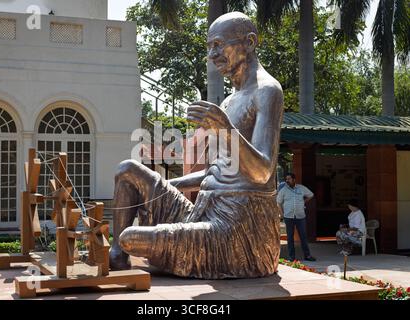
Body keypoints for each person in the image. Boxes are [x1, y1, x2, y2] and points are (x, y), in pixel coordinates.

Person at [109, 12, 284, 279]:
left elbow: (262, 172)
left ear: (249, 42)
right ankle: (116, 258)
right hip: (203, 211)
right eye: (209, 47)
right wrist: (162, 187)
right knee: (129, 171)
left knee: (131, 238)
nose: (212, 55)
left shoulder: (267, 91)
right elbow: (214, 173)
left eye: (219, 45)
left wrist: (225, 129)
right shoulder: (227, 102)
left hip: (237, 226)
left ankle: (129, 248)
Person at [276, 173, 316, 261]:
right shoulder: (283, 190)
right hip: (288, 217)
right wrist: (282, 214)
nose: (287, 181)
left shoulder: (301, 188)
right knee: (290, 238)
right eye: (286, 179)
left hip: (300, 217)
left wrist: (304, 201)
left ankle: (307, 255)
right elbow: (278, 202)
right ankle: (291, 257)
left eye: (289, 179)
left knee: (303, 237)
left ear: (294, 179)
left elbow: (311, 195)